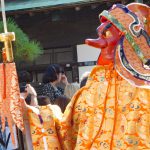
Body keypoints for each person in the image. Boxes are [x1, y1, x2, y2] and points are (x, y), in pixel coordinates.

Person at [53, 3, 150, 149]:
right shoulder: (90, 90)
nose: (97, 43)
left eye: (107, 34)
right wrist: (32, 114)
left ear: (130, 40)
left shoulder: (145, 90)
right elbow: (66, 131)